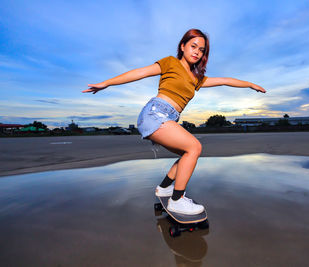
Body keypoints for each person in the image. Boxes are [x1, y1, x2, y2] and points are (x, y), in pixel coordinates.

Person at [82, 28, 266, 215]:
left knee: (187, 154)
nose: (197, 51)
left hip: (169, 118)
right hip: (155, 113)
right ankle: (177, 200)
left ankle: (164, 188)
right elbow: (141, 72)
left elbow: (224, 80)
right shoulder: (170, 62)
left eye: (201, 50)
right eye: (193, 46)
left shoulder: (197, 78)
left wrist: (250, 84)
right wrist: (107, 83)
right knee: (194, 147)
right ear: (183, 46)